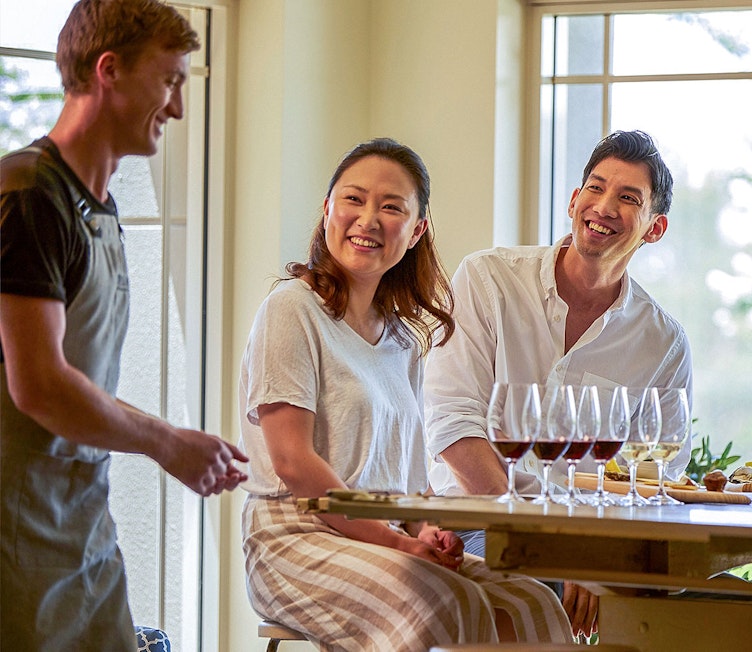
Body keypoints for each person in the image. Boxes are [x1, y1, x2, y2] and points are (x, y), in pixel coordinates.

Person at [237, 138, 572, 652]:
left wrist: (427, 532)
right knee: (439, 599)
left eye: (391, 207)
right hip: (297, 537)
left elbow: (412, 483)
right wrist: (398, 541)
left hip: (382, 536)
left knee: (531, 600)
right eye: (353, 199)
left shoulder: (402, 341)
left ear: (416, 231)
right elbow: (294, 463)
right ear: (328, 208)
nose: (368, 219)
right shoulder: (292, 309)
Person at [0, 1, 249, 649]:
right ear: (108, 70)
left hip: (82, 531)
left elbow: (76, 379)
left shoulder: (99, 209)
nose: (177, 108)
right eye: (169, 80)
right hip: (14, 536)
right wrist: (166, 443)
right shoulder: (28, 195)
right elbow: (41, 386)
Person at [424, 129, 695, 638]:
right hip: (478, 519)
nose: (604, 206)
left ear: (654, 229)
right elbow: (453, 423)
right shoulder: (488, 279)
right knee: (541, 587)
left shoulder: (664, 343)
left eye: (628, 198)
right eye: (595, 187)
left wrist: (593, 553)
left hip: (592, 542)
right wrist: (552, 547)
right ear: (574, 200)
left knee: (716, 600)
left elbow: (656, 473)